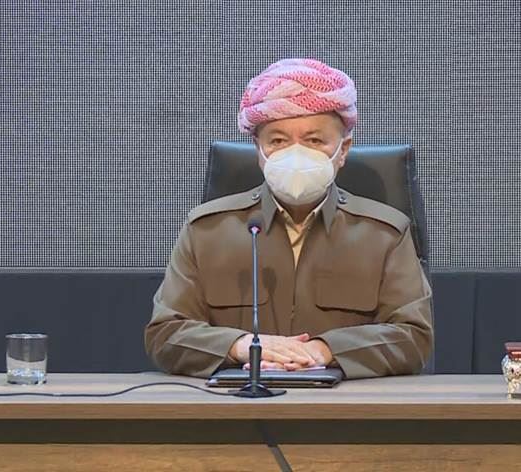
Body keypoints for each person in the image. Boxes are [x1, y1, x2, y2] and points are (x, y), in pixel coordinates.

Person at [145, 58, 432, 379]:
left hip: (346, 405)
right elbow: (166, 333)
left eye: (314, 141)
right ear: (258, 150)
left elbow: (413, 336)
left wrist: (323, 350)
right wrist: (243, 346)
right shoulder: (207, 231)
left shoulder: (385, 233)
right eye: (278, 141)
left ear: (343, 150)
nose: (296, 155)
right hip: (236, 403)